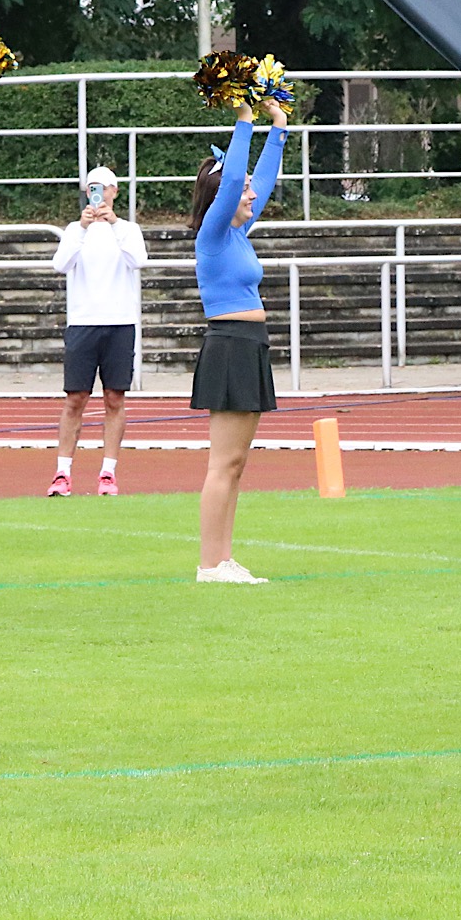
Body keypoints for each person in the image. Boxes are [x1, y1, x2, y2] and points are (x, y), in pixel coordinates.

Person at [189, 98, 290, 583]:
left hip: (250, 344)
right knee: (223, 462)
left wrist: (279, 127)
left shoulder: (240, 233)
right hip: (228, 343)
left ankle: (224, 557)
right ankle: (209, 563)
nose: (250, 194)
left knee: (238, 464)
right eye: (242, 190)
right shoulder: (211, 235)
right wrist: (244, 120)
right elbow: (233, 182)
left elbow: (263, 182)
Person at [49, 165, 147, 497]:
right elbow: (60, 264)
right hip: (83, 321)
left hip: (120, 321)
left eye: (103, 188)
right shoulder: (74, 230)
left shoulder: (129, 229)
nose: (98, 194)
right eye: (92, 188)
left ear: (114, 191)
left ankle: (108, 471)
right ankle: (62, 472)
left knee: (114, 398)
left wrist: (113, 223)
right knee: (75, 398)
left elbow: (138, 260)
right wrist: (81, 227)